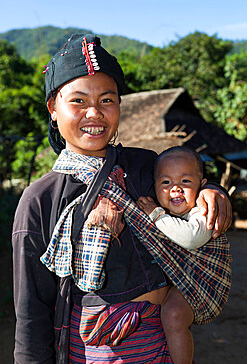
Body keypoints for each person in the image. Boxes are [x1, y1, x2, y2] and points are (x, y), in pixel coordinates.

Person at [12, 34, 232, 364]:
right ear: (53, 109)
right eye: (78, 101)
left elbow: (185, 181)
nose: (94, 113)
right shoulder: (40, 199)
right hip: (95, 352)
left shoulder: (145, 166)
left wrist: (213, 190)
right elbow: (32, 311)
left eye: (107, 100)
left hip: (161, 344)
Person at [137, 146, 218, 364]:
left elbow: (191, 238)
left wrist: (156, 215)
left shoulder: (201, 210)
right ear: (154, 188)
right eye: (166, 182)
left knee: (173, 315)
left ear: (201, 187)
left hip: (201, 281)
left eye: (185, 182)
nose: (175, 189)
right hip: (180, 282)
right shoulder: (171, 213)